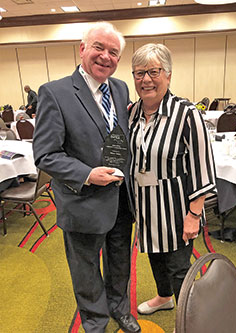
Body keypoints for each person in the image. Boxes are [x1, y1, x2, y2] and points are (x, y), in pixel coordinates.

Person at [33, 22, 141, 333]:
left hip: (121, 197)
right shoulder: (55, 93)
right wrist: (87, 174)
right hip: (82, 200)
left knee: (120, 260)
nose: (106, 57)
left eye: (113, 52)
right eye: (99, 48)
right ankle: (95, 321)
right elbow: (46, 154)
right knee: (86, 269)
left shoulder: (120, 88)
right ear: (82, 49)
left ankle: (121, 309)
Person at [129, 44, 216, 319]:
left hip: (178, 210)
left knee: (180, 268)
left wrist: (193, 215)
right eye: (139, 73)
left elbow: (202, 168)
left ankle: (189, 318)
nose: (146, 80)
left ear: (168, 74)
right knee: (154, 255)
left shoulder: (187, 114)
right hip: (146, 206)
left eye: (153, 71)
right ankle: (164, 297)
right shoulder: (131, 113)